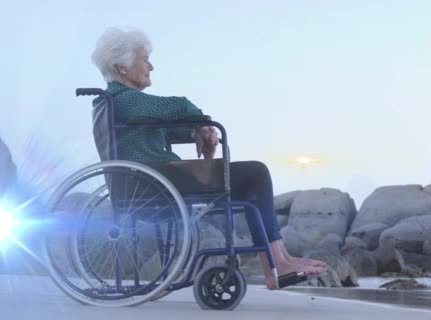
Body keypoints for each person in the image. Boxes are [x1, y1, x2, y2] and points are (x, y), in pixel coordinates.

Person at [90, 28, 326, 289]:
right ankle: (276, 262)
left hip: (150, 181)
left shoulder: (125, 104)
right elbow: (178, 106)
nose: (151, 66)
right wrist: (202, 121)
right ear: (122, 68)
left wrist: (196, 131)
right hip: (153, 183)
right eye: (144, 59)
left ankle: (278, 260)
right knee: (255, 173)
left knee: (250, 181)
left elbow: (166, 127)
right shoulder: (124, 100)